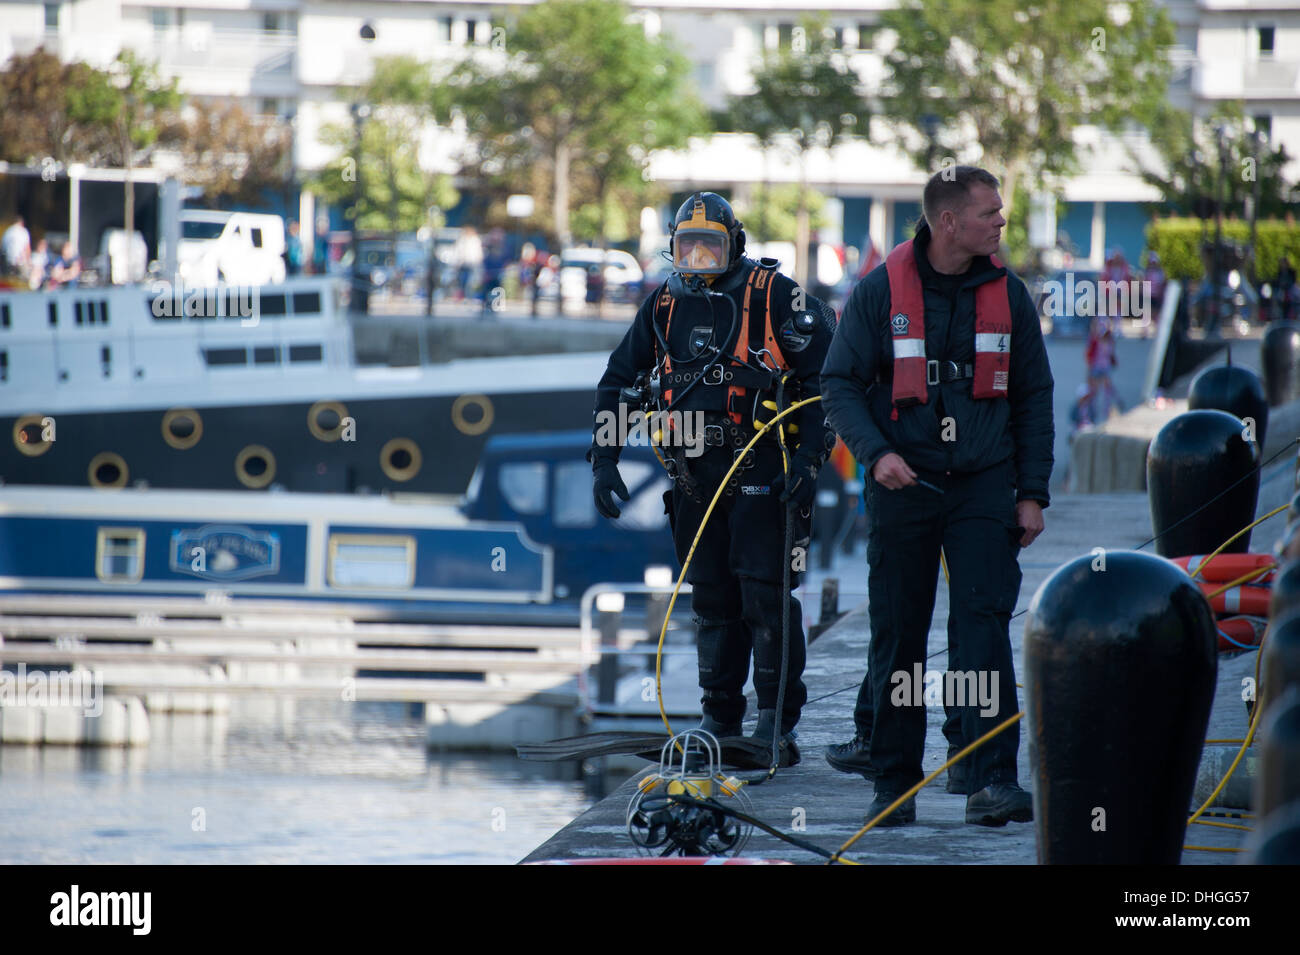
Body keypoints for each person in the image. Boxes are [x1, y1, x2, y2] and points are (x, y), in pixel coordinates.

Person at [820, 165, 1054, 827]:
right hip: (904, 484)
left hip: (983, 483)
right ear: (948, 222)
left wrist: (1032, 493)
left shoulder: (1009, 294)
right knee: (899, 636)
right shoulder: (878, 291)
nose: (1001, 221)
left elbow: (1034, 395)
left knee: (984, 628)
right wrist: (877, 454)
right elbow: (838, 384)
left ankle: (990, 779)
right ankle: (894, 785)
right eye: (989, 212)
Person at [588, 192, 837, 764]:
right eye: (688, 247)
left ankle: (774, 724)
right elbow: (619, 381)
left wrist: (807, 461)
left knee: (765, 596)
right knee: (712, 599)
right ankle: (719, 716)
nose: (698, 258)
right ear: (672, 249)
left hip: (764, 472)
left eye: (711, 247)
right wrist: (604, 458)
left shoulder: (775, 296)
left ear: (736, 245)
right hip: (694, 477)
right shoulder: (663, 305)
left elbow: (826, 384)